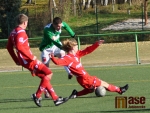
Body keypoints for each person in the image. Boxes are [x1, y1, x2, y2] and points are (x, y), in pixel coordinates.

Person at [6, 14, 69, 107]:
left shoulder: (13, 32)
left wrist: (16, 60)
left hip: (24, 60)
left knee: (44, 77)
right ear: (25, 22)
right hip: (29, 60)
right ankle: (37, 95)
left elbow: (8, 47)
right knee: (49, 73)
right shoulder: (20, 32)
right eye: (27, 22)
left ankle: (56, 99)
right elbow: (19, 47)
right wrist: (31, 57)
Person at [49, 38, 129, 99]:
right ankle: (120, 90)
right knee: (103, 83)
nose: (77, 47)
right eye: (76, 45)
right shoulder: (67, 58)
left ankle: (76, 94)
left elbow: (88, 50)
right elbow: (57, 62)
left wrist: (96, 44)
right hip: (84, 79)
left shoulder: (76, 54)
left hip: (85, 78)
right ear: (72, 47)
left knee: (90, 90)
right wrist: (52, 57)